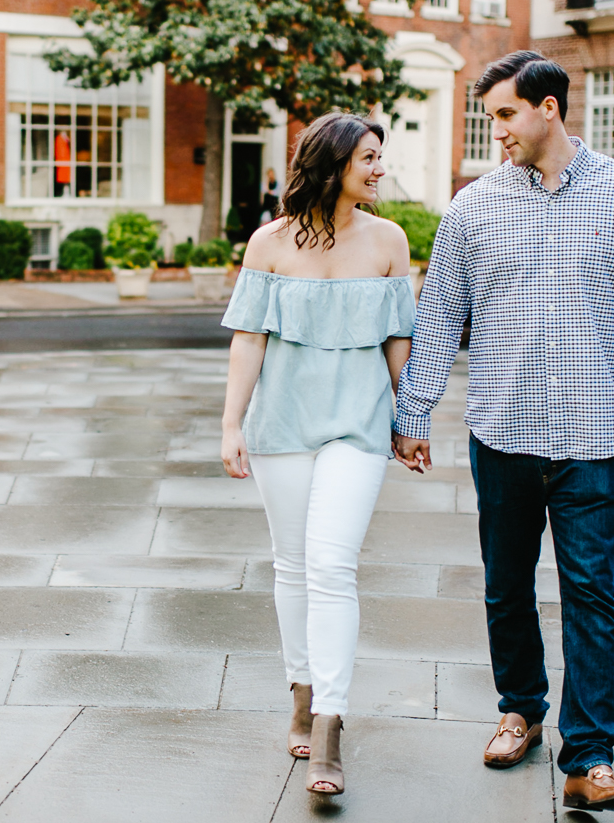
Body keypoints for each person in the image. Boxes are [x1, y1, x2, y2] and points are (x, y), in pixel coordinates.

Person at [392, 52, 614, 813]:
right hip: (502, 431)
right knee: (505, 587)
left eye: (503, 115)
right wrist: (413, 410)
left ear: (549, 107)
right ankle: (520, 708)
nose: (495, 131)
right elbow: (439, 319)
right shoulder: (472, 208)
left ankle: (589, 755)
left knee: (592, 593)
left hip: (595, 436)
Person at [219, 111, 415, 797]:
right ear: (333, 164)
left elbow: (399, 340)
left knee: (332, 563)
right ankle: (300, 690)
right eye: (368, 157)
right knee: (293, 564)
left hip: (357, 425)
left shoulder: (389, 240)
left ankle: (329, 720)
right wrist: (230, 424)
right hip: (282, 424)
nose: (379, 168)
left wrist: (408, 418)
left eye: (379, 156)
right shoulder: (268, 244)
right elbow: (249, 340)